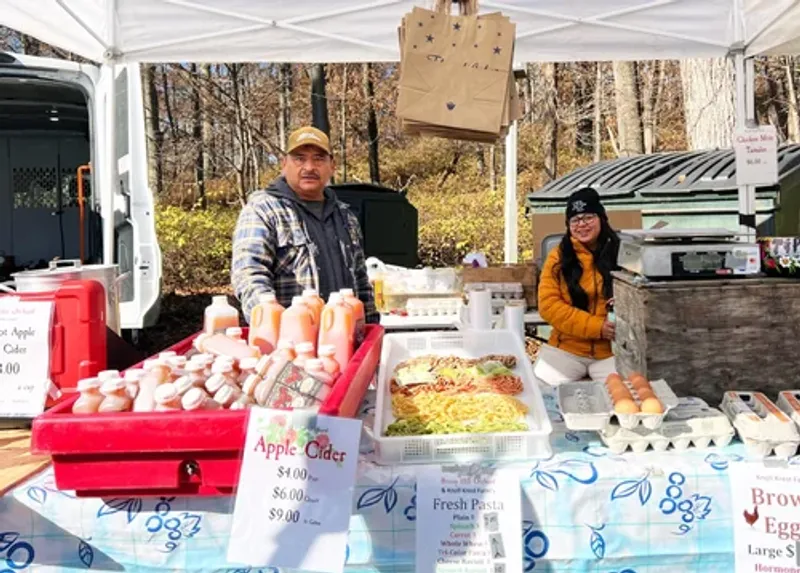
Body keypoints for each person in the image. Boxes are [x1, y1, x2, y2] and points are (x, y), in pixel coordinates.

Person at [231, 126, 379, 324]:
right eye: (299, 158)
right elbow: (248, 274)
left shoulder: (345, 216)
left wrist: (371, 328)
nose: (309, 167)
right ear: (284, 164)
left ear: (332, 165)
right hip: (289, 345)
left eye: (318, 158)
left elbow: (360, 280)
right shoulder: (263, 210)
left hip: (347, 336)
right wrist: (270, 323)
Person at [534, 187, 620, 385]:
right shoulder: (558, 256)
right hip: (566, 350)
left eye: (588, 217)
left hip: (610, 352)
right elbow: (549, 306)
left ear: (601, 218)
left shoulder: (622, 252)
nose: (582, 225)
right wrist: (597, 327)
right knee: (538, 392)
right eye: (575, 220)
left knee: (628, 398)